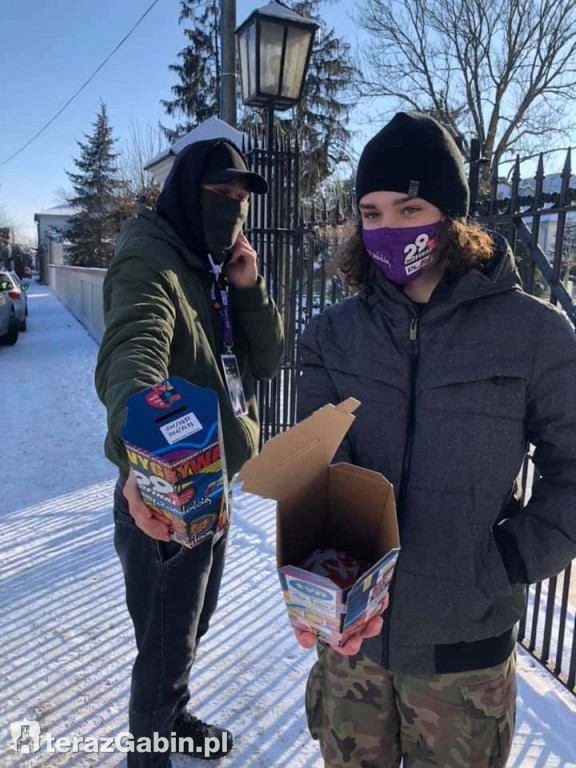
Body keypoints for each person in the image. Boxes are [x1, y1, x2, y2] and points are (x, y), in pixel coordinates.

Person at [295, 112, 576, 767]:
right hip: (352, 654)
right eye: (370, 211)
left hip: (464, 663)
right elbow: (317, 473)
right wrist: (314, 579)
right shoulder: (332, 334)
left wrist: (503, 564)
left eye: (409, 207)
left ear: (451, 215)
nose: (387, 229)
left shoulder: (535, 336)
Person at [95, 138, 284, 766]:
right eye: (220, 195)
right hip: (164, 492)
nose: (232, 209)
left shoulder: (212, 268)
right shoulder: (149, 261)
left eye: (240, 199)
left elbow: (266, 361)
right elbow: (132, 353)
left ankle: (171, 717)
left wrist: (249, 287)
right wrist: (141, 451)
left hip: (213, 484)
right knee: (164, 645)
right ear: (185, 193)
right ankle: (147, 754)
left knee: (190, 628)